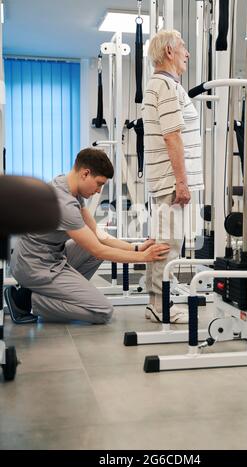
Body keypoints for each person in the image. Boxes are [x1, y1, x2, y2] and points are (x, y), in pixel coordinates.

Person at [5, 147, 169, 324]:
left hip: (48, 256)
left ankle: (51, 292)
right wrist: (143, 257)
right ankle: (25, 301)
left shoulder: (67, 185)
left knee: (90, 250)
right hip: (34, 266)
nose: (99, 191)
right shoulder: (64, 204)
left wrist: (135, 248)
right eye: (99, 183)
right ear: (85, 173)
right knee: (102, 311)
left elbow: (97, 234)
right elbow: (99, 250)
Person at [141, 30, 204, 323]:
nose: (187, 54)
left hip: (166, 177)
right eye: (184, 48)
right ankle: (159, 303)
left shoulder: (161, 85)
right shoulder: (165, 86)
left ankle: (156, 299)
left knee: (163, 240)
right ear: (169, 51)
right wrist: (181, 181)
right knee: (168, 243)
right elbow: (172, 137)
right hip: (170, 178)